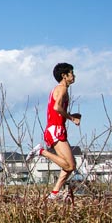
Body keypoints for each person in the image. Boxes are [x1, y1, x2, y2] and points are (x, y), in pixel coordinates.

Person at [26, 62, 81, 201]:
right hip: (55, 129)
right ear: (64, 76)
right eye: (71, 73)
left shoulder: (59, 89)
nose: (74, 76)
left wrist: (71, 115)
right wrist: (71, 118)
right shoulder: (62, 88)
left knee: (68, 167)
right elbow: (57, 107)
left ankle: (54, 194)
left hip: (55, 128)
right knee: (70, 165)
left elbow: (55, 110)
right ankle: (41, 151)